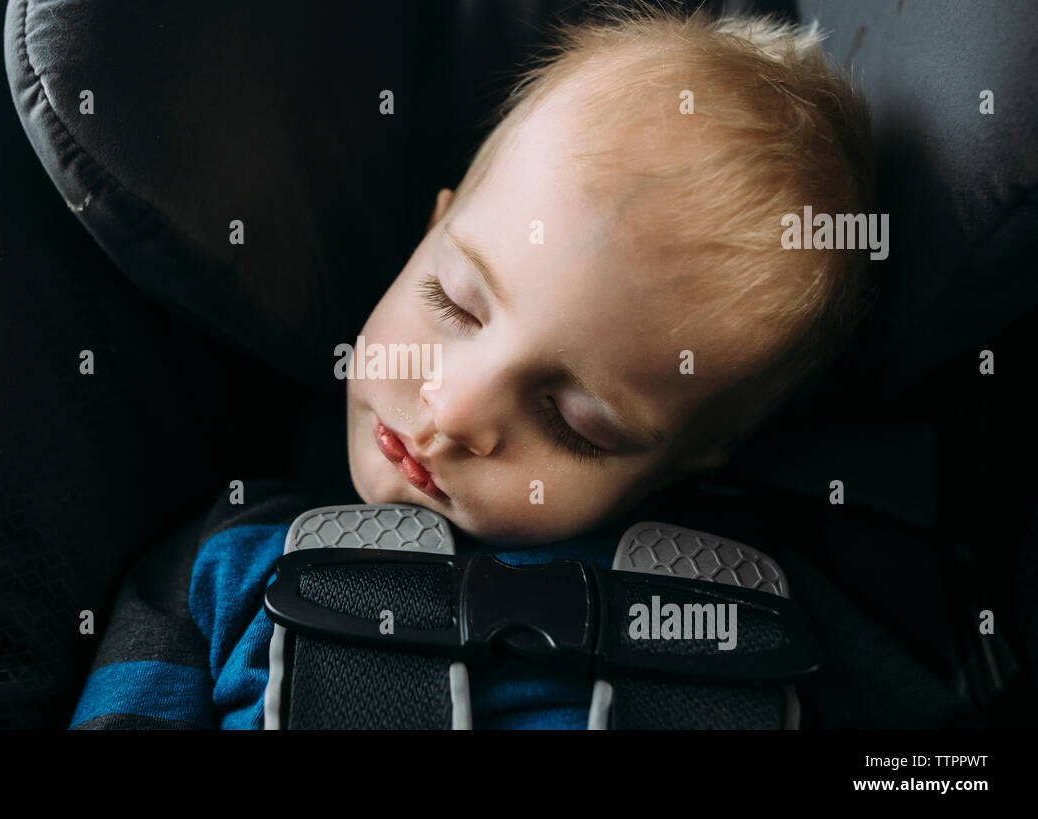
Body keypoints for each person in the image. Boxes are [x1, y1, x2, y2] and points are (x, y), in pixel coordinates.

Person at [70, 6, 880, 729]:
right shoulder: (228, 566)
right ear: (434, 224)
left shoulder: (777, 619)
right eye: (454, 302)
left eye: (574, 421)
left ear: (688, 458)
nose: (453, 408)